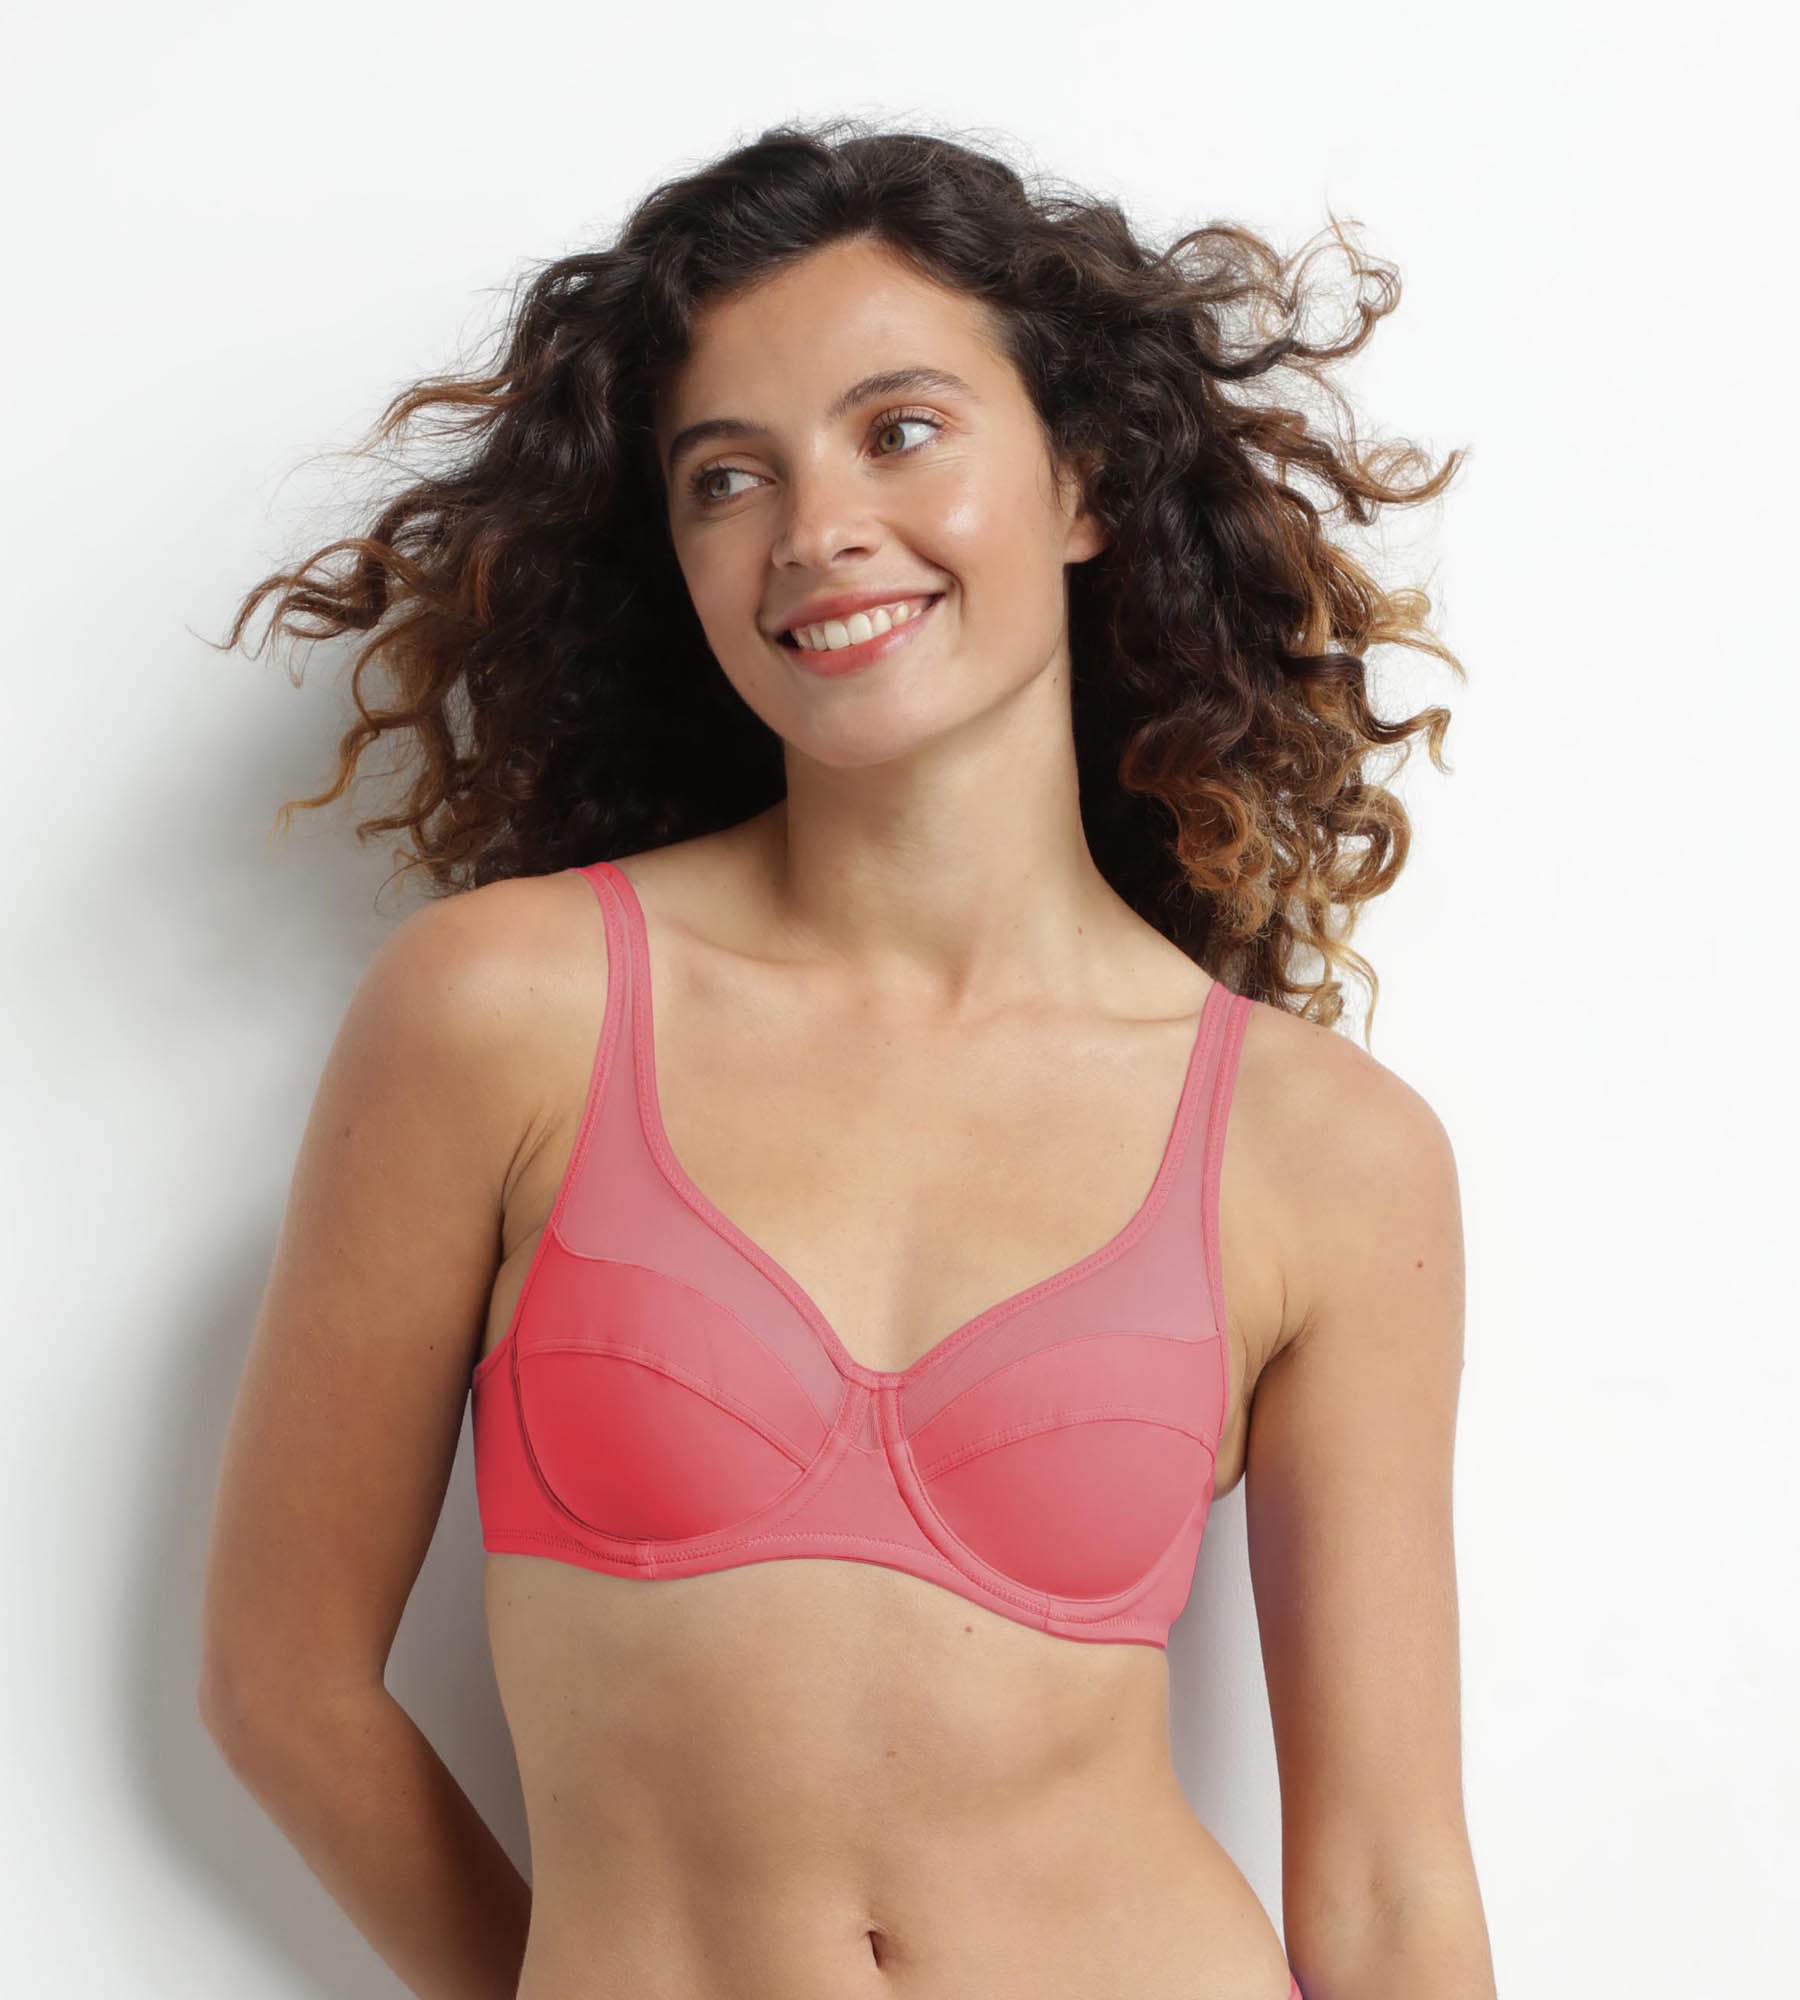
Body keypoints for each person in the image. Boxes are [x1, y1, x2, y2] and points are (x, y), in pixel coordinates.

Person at [197, 118, 1495, 2000]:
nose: (814, 530)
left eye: (901, 431)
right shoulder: (506, 1013)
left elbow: (1386, 1884)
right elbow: (283, 1686)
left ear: (1083, 480)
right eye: (728, 477)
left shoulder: (1327, 1152)